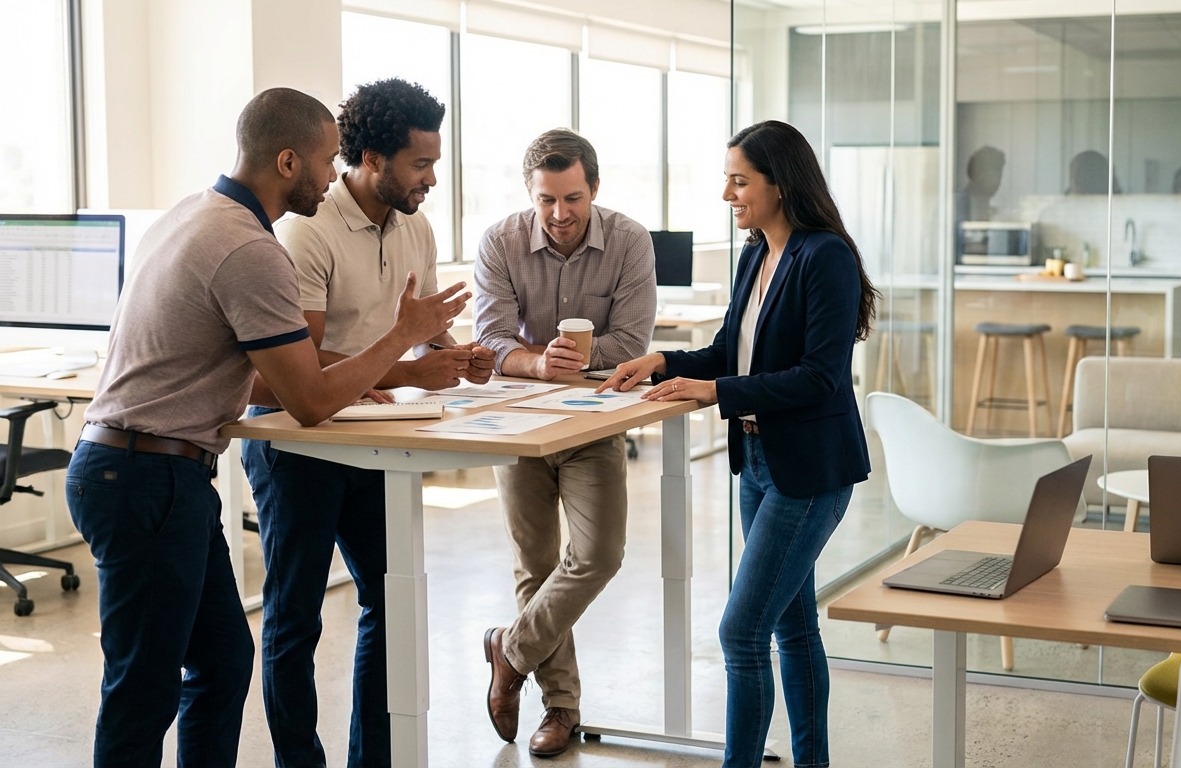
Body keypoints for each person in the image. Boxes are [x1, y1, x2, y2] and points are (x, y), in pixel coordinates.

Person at [65, 87, 467, 767]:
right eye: (323, 160)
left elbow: (257, 376)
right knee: (144, 687)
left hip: (150, 471)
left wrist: (388, 362)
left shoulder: (194, 213)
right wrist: (404, 338)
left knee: (222, 657)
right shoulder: (251, 250)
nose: (330, 174)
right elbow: (307, 399)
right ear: (288, 161)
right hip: (146, 476)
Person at [598, 119, 876, 768]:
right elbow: (733, 352)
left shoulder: (823, 256)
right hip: (757, 462)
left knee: (741, 631)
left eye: (739, 180)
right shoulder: (757, 253)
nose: (728, 193)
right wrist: (665, 361)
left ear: (780, 184)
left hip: (808, 472)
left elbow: (819, 377)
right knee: (792, 627)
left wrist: (715, 393)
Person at [241, 78, 492, 768]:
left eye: (436, 163)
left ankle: (373, 760)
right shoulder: (306, 230)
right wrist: (410, 370)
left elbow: (416, 329)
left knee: (392, 598)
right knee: (295, 616)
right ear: (372, 159)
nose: (432, 179)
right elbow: (301, 366)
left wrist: (454, 354)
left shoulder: (415, 225)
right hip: (297, 439)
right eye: (420, 164)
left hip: (370, 441)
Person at [473, 128, 656, 757]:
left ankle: (509, 651)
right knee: (536, 565)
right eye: (546, 200)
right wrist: (534, 363)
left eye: (572, 198)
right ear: (531, 194)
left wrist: (572, 360)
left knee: (599, 554)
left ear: (595, 189)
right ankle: (561, 709)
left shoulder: (629, 240)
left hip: (592, 422)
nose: (560, 215)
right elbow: (492, 337)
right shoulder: (499, 240)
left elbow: (631, 342)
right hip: (518, 422)